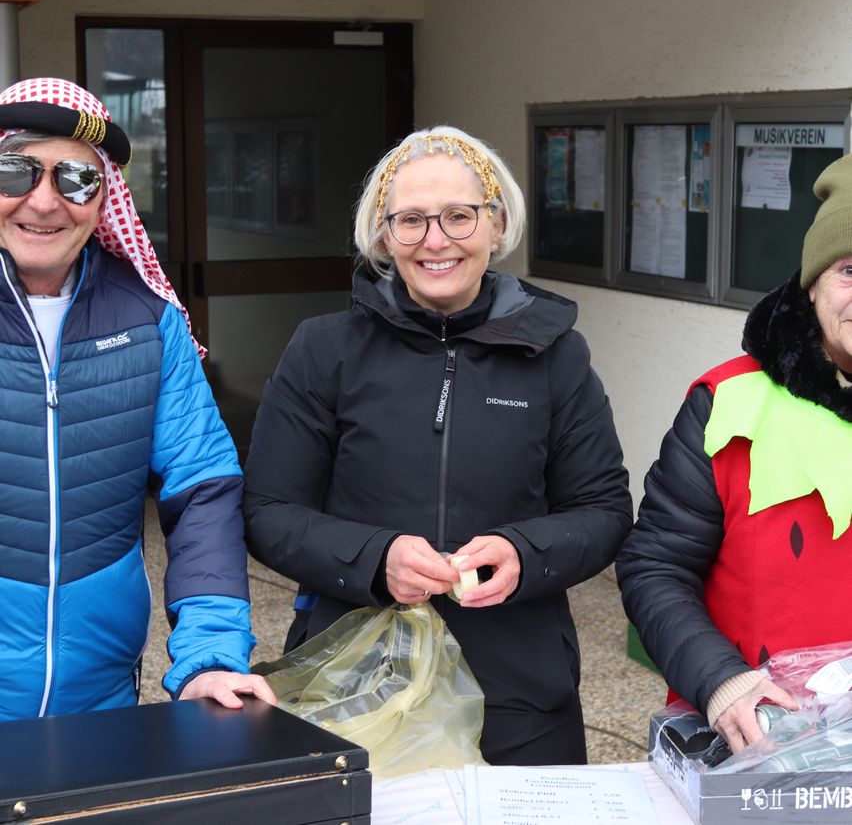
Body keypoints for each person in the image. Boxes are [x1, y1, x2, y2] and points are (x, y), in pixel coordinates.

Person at [243, 126, 632, 765]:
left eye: (458, 216)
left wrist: (524, 552)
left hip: (520, 683)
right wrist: (376, 558)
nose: (436, 241)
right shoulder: (324, 349)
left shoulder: (555, 353)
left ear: (496, 224)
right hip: (360, 677)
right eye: (412, 220)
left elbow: (604, 509)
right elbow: (267, 510)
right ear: (382, 234)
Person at [0, 77, 275, 720]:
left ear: (105, 200)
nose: (44, 202)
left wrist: (209, 657)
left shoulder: (150, 319)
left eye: (75, 179)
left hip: (101, 703)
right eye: (17, 171)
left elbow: (201, 486)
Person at [617, 152, 852, 754]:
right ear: (815, 280)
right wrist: (721, 682)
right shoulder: (728, 402)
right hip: (754, 741)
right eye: (851, 270)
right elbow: (656, 567)